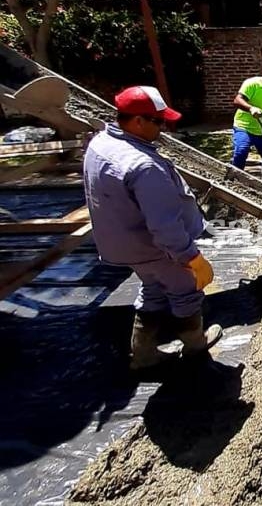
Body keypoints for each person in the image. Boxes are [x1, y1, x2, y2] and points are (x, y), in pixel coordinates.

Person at [83, 86, 223, 371]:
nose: (164, 128)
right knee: (185, 290)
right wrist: (191, 258)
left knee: (153, 286)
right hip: (154, 247)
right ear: (137, 121)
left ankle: (143, 354)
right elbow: (164, 226)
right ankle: (196, 348)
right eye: (158, 122)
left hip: (123, 242)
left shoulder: (101, 143)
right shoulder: (143, 166)